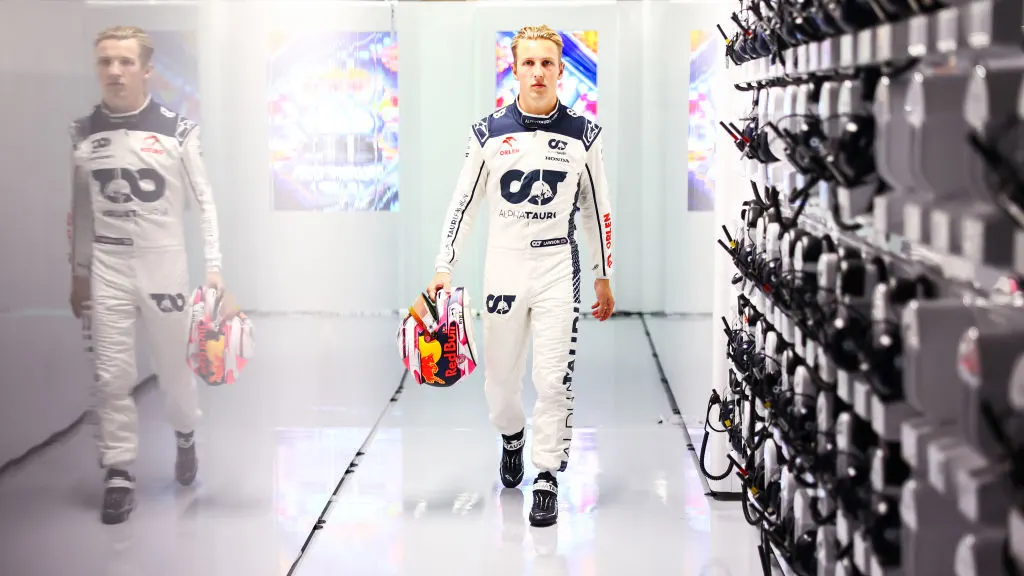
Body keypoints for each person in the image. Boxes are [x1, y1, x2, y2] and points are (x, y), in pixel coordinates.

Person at [427, 25, 615, 527]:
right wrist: (444, 267)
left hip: (558, 267)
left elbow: (599, 207)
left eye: (547, 63)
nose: (538, 72)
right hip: (504, 270)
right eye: (528, 63)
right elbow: (462, 204)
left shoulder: (583, 134)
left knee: (552, 381)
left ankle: (547, 474)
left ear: (559, 70)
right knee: (501, 385)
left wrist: (603, 275)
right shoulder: (488, 132)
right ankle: (512, 436)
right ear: (515, 68)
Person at [68, 25, 225, 525]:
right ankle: (118, 472)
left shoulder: (178, 131)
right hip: (108, 269)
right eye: (105, 62)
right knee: (110, 376)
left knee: (175, 373)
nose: (114, 71)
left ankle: (185, 434)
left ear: (146, 69)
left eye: (125, 62)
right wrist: (79, 274)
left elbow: (205, 204)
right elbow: (80, 210)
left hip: (164, 267)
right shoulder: (83, 132)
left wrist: (215, 269)